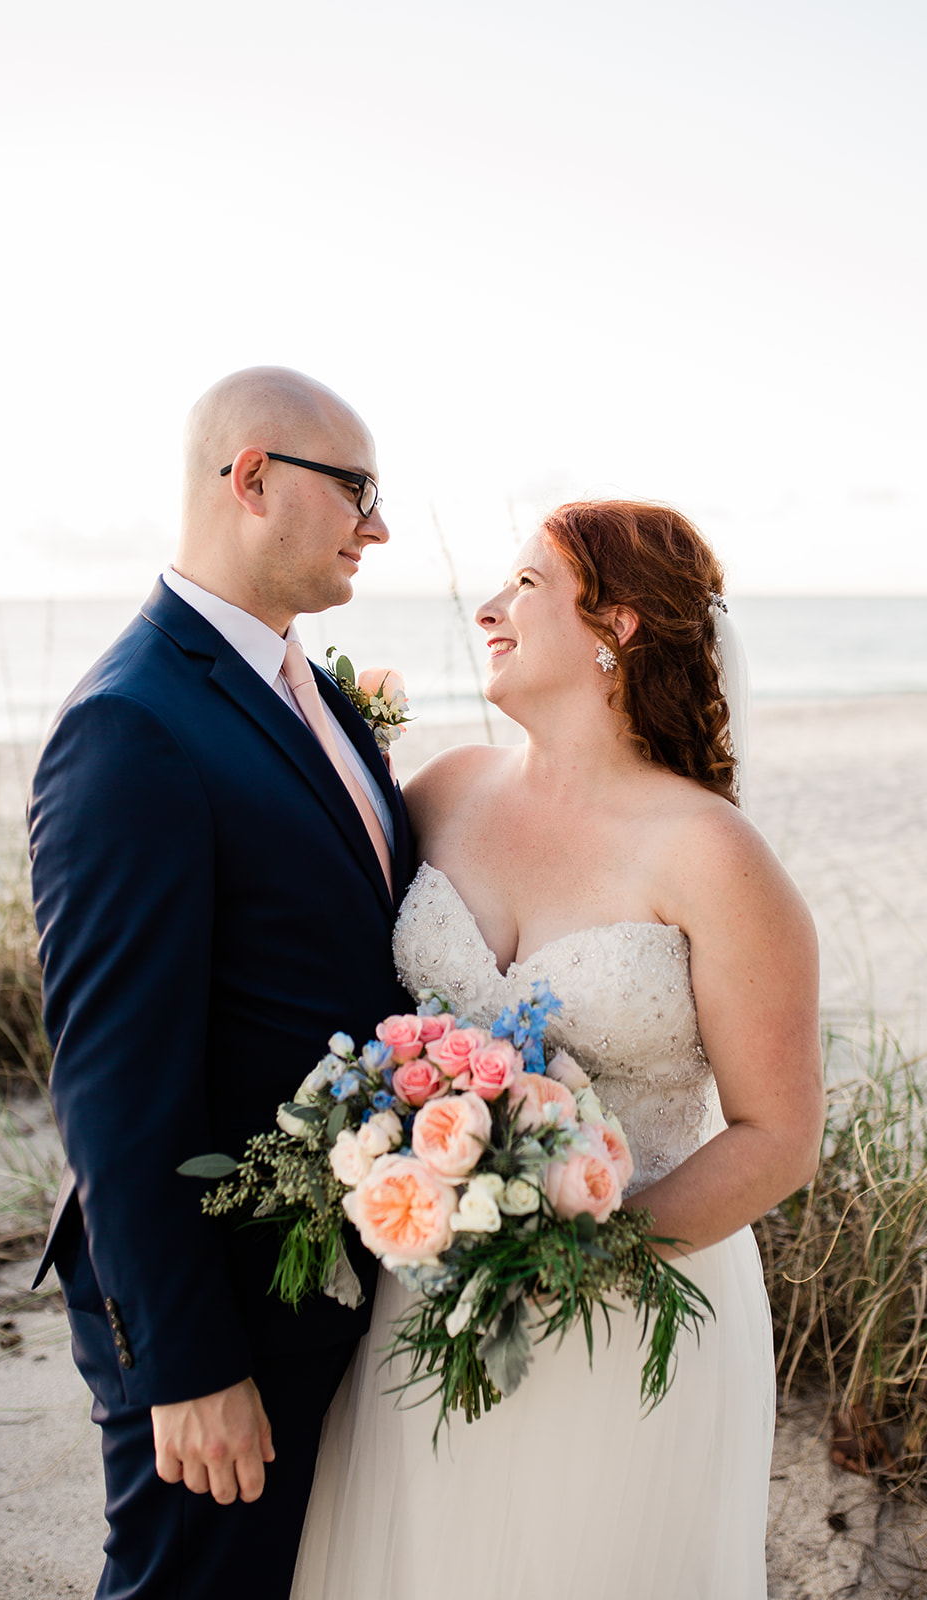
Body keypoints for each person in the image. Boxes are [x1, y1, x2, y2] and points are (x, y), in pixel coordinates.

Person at [293, 500, 825, 1600]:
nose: (486, 609)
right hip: (432, 1279)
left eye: (524, 585)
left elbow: (780, 1136)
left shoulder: (712, 855)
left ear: (615, 626)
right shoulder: (442, 791)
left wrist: (571, 1262)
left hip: (631, 1306)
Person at [28, 367, 412, 1599]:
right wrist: (185, 1364)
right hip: (217, 1300)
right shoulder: (130, 725)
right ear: (252, 478)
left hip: (325, 1273)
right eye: (356, 487)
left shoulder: (309, 694)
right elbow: (112, 1084)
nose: (379, 523)